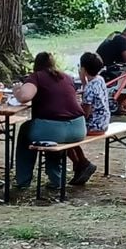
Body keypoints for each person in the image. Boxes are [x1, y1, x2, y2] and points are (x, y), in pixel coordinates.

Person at [12, 52, 88, 190]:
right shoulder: (66, 77)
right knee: (48, 138)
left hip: (54, 129)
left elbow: (24, 96)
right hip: (78, 127)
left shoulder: (37, 77)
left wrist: (17, 90)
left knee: (26, 131)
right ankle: (55, 178)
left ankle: (23, 179)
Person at [65, 51, 108, 187]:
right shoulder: (99, 80)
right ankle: (80, 164)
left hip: (94, 125)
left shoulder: (90, 87)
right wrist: (84, 82)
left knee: (64, 134)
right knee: (67, 131)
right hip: (103, 121)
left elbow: (85, 113)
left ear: (83, 68)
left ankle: (81, 163)